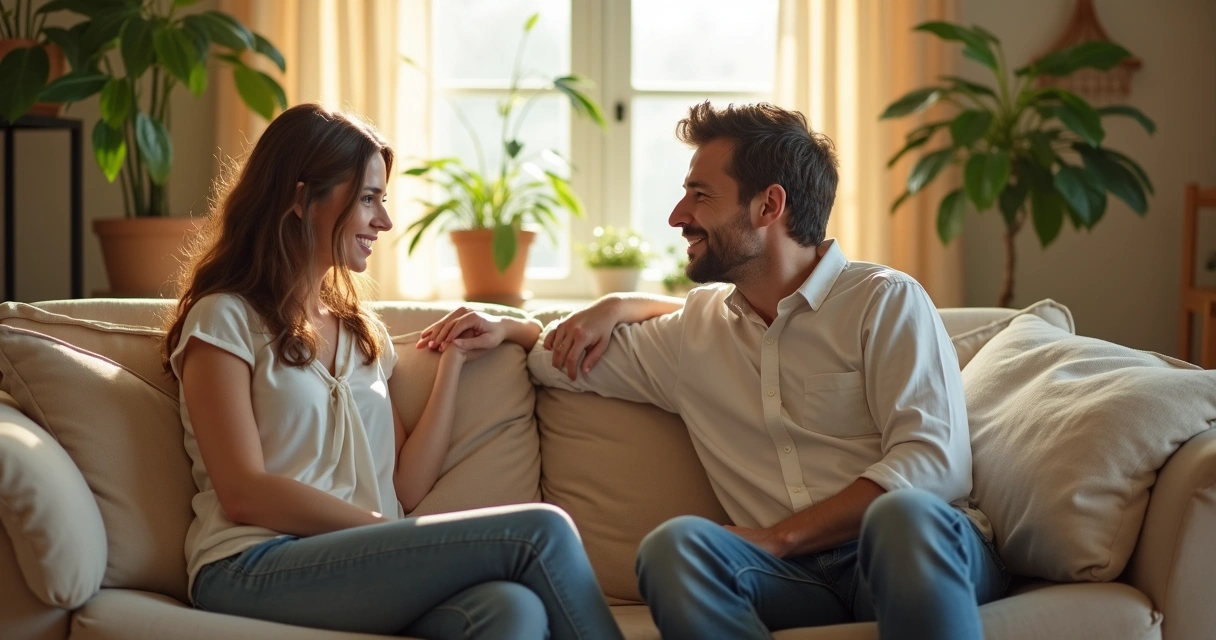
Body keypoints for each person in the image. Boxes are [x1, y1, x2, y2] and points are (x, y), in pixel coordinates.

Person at [426, 101, 1007, 640]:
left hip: (916, 552)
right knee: (677, 546)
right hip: (798, 580)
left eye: (700, 195)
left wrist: (779, 537)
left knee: (902, 515)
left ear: (768, 206)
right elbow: (561, 363)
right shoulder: (694, 331)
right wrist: (525, 325)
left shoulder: (884, 301)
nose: (679, 216)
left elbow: (934, 464)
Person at [162, 103, 621, 640]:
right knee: (541, 532)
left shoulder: (363, 334)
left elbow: (404, 481)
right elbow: (243, 491)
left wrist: (453, 362)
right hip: (251, 565)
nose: (384, 220)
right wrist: (389, 535)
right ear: (300, 199)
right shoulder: (224, 318)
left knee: (510, 610)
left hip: (361, 564)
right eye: (368, 199)